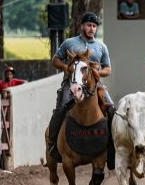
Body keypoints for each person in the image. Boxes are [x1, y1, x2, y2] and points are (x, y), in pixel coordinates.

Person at [47, 12, 116, 166]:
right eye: (88, 25)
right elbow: (55, 60)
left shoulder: (101, 47)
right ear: (81, 26)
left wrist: (99, 72)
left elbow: (108, 69)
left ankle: (111, 149)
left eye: (94, 26)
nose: (91, 29)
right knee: (60, 109)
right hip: (71, 84)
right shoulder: (69, 43)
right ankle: (52, 144)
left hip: (95, 85)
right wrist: (66, 67)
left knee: (112, 110)